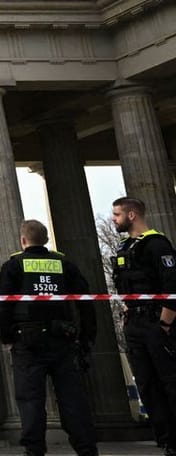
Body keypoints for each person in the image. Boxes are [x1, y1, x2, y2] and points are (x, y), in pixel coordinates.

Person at [0, 219, 98, 456]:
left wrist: (6, 336)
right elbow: (86, 304)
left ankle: (34, 451)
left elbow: (3, 306)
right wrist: (86, 339)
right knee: (73, 401)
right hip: (63, 339)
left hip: (27, 341)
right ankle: (87, 450)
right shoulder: (64, 264)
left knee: (30, 401)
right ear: (47, 239)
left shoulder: (13, 266)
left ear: (23, 241)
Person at [112, 195, 176, 456]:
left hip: (155, 322)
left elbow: (172, 285)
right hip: (135, 323)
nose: (113, 219)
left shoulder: (158, 245)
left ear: (131, 215)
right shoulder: (125, 247)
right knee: (147, 384)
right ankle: (165, 439)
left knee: (169, 382)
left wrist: (164, 323)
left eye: (116, 214)